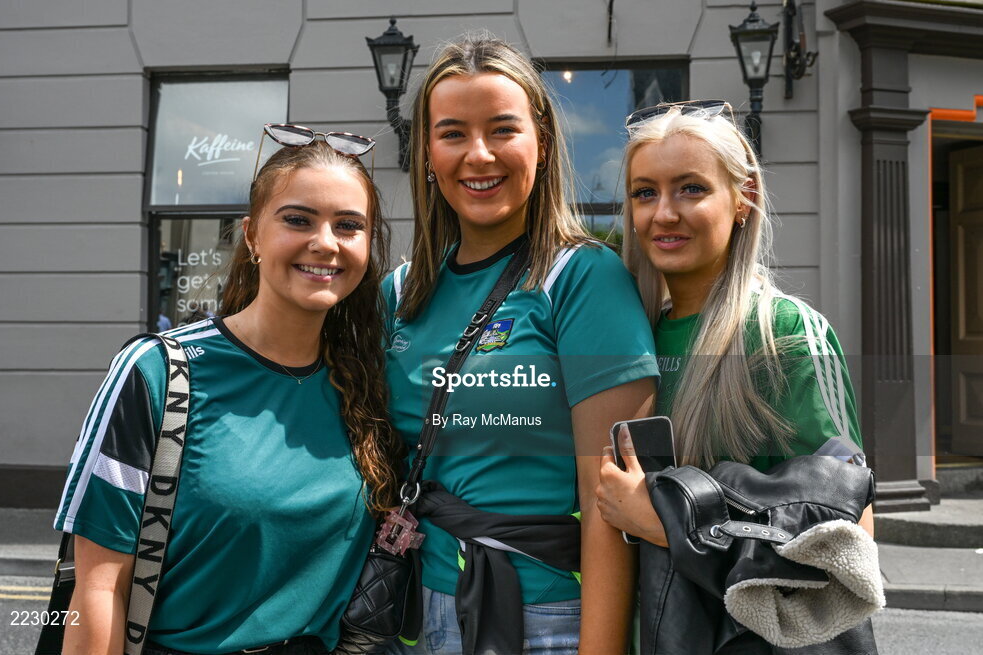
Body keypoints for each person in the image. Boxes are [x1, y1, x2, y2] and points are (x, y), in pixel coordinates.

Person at [53, 137, 401, 655]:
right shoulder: (160, 372)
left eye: (348, 225)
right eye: (298, 220)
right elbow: (100, 588)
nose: (326, 242)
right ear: (253, 236)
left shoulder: (369, 379)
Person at [382, 36, 659, 655]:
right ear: (427, 151)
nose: (478, 156)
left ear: (540, 140)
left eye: (502, 130)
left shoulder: (583, 279)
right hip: (415, 615)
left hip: (548, 619)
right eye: (452, 133)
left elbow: (610, 499)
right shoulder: (397, 294)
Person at [596, 101, 873, 651]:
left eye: (691, 189)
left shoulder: (785, 333)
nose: (663, 214)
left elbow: (848, 542)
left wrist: (661, 523)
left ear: (743, 199)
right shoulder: (628, 336)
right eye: (644, 193)